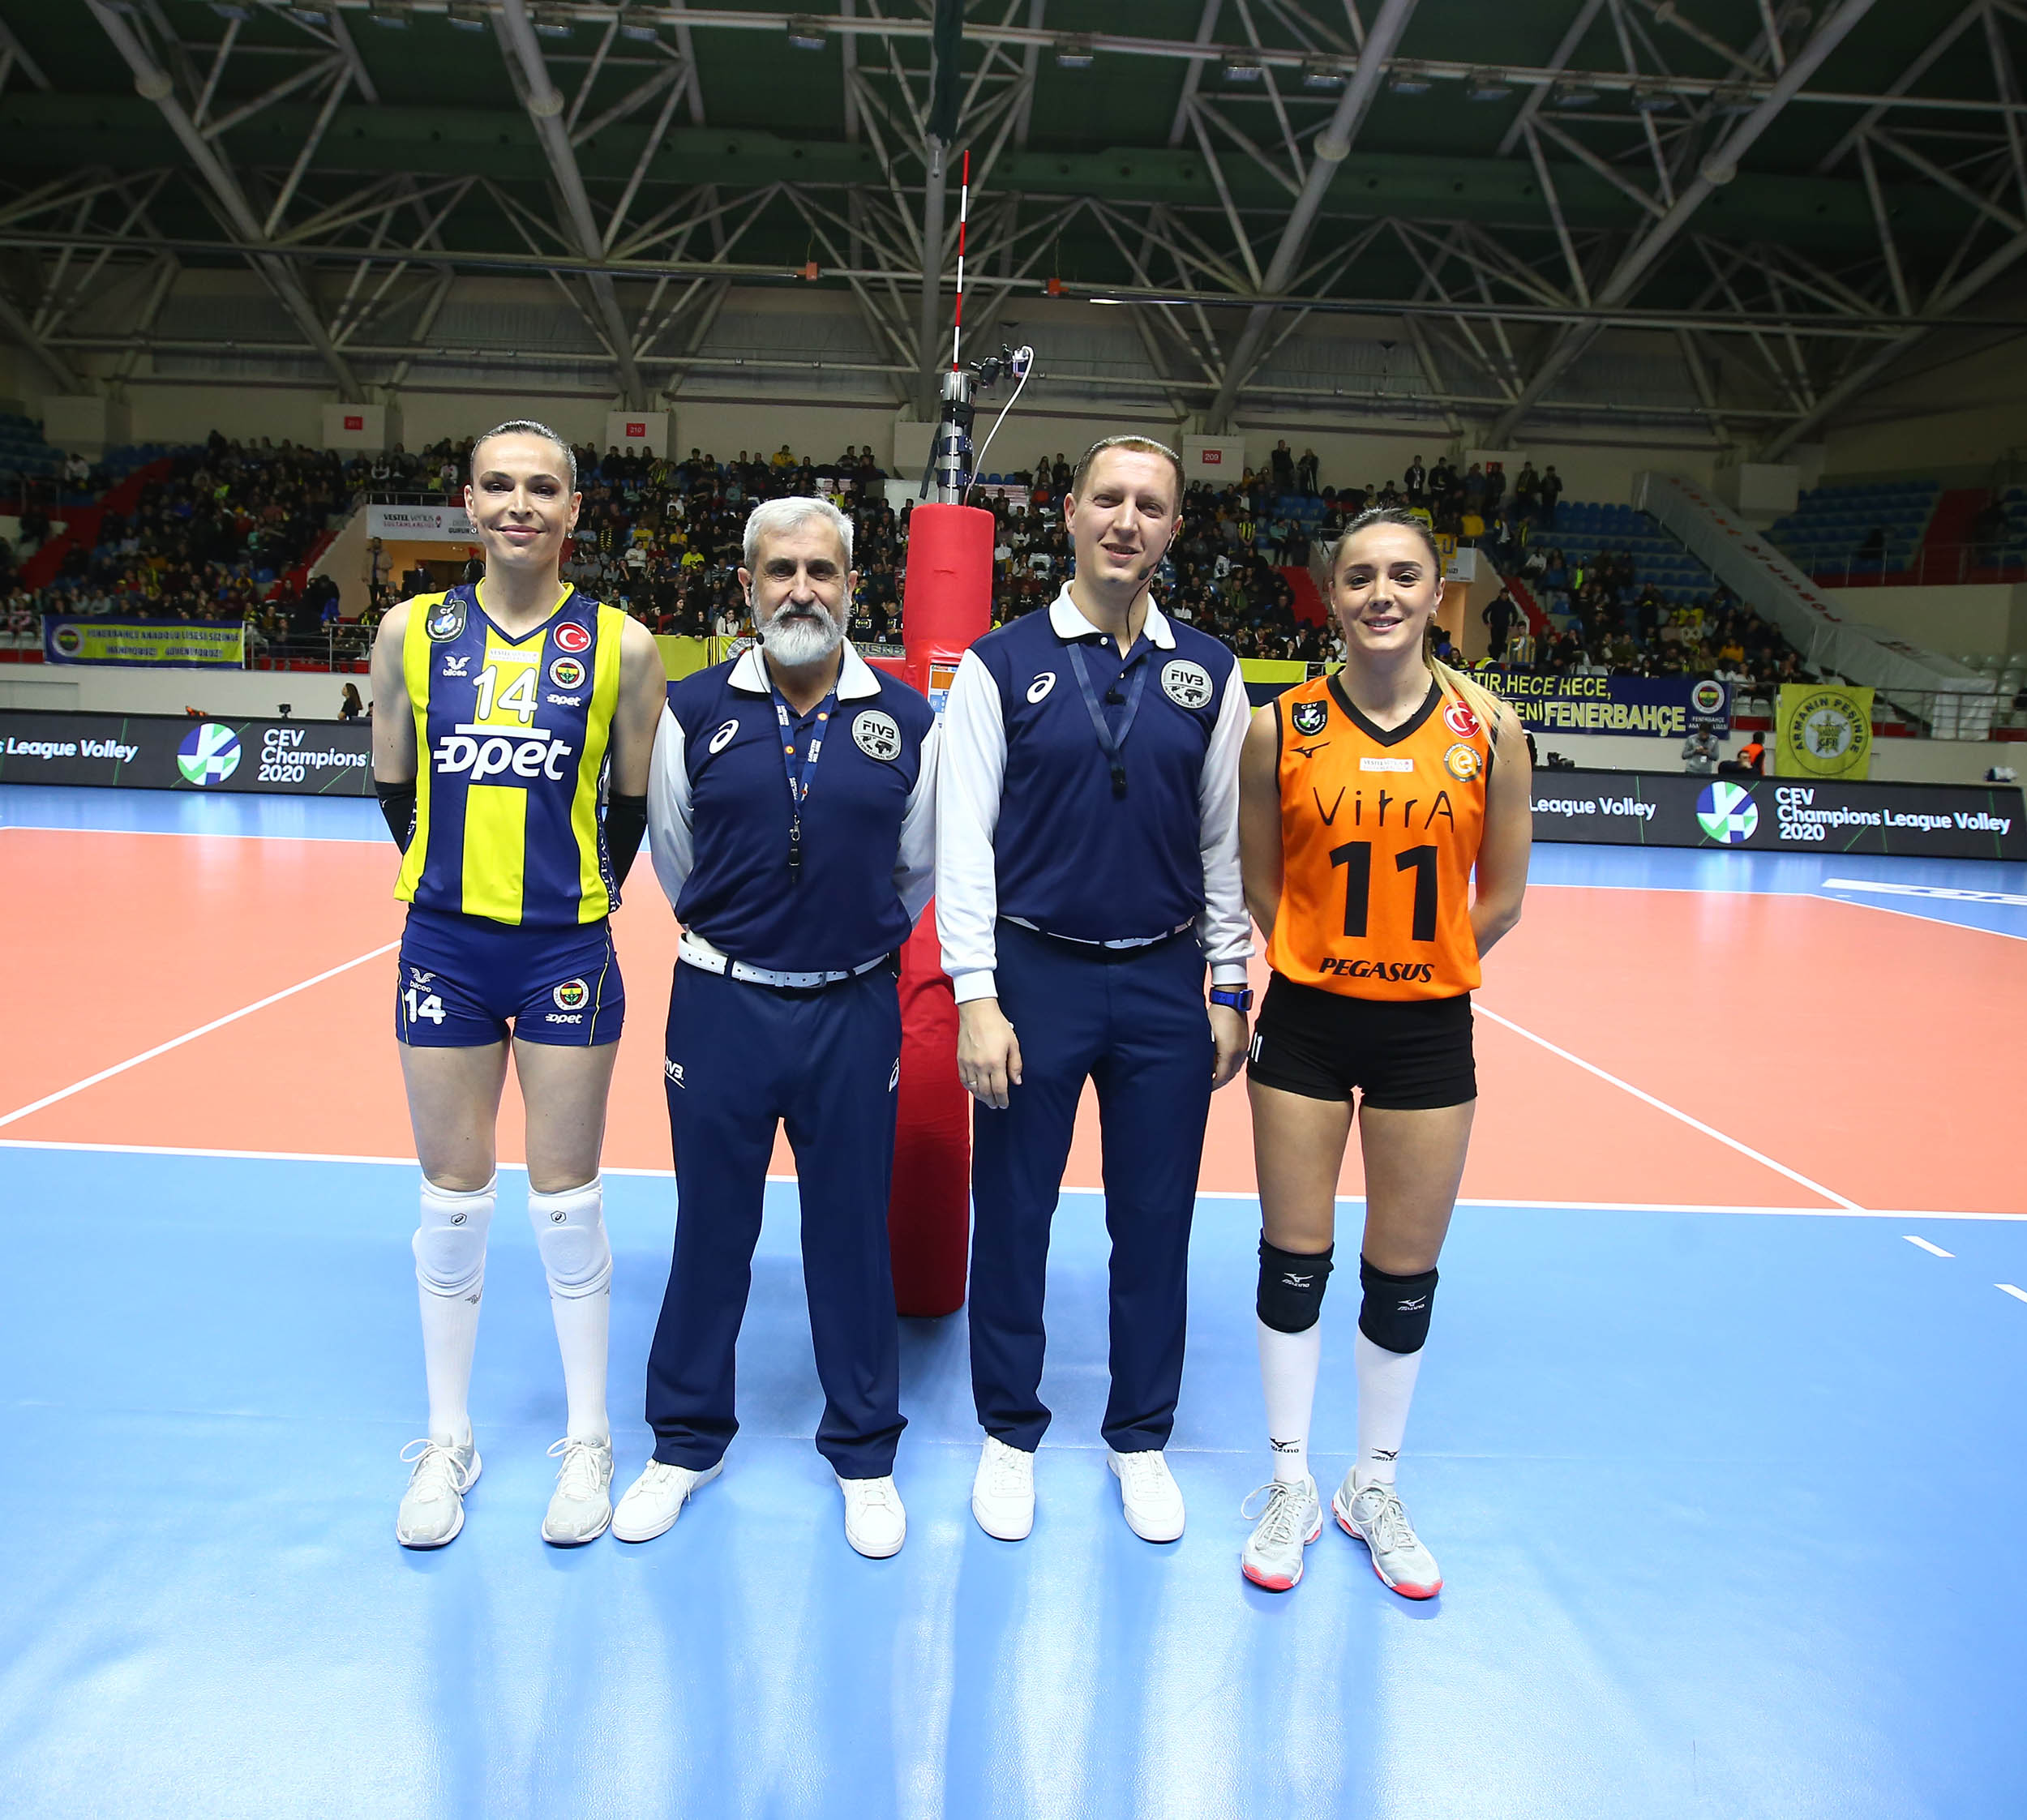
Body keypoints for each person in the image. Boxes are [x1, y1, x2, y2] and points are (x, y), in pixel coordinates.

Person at [938, 435, 1252, 1547]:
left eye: (1149, 505)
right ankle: (1010, 1431)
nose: (1127, 520)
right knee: (1014, 1213)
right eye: (1108, 499)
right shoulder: (998, 664)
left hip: (1166, 980)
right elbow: (962, 845)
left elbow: (1224, 843)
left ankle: (1140, 1436)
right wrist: (975, 993)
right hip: (1034, 974)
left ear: (1174, 529)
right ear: (1069, 513)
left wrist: (1230, 982)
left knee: (1155, 1219)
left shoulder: (1211, 672)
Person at [615, 497, 938, 1559]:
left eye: (822, 571)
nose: (803, 590)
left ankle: (865, 1452)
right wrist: (746, 937)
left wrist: (842, 941)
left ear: (853, 587)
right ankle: (685, 1442)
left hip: (852, 1006)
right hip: (723, 1004)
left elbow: (915, 870)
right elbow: (676, 859)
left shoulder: (908, 721)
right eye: (781, 571)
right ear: (748, 587)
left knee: (851, 1234)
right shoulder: (692, 708)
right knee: (711, 1228)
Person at [369, 420, 668, 1551]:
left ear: (573, 509)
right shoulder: (409, 631)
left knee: (564, 1195)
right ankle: (448, 1438)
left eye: (543, 487)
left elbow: (630, 806)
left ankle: (590, 1437)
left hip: (565, 950)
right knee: (451, 1195)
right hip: (444, 946)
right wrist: (452, 880)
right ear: (469, 500)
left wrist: (573, 890)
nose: (519, 505)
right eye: (498, 485)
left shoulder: (624, 646)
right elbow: (394, 785)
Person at [1232, 507, 1530, 1597]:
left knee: (1403, 1272)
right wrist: (1321, 957)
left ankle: (1375, 1483)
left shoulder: (1489, 727)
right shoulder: (1282, 725)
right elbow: (1260, 880)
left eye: (1405, 575)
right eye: (1360, 577)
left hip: (1427, 1030)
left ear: (1438, 591)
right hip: (1308, 1019)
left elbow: (1501, 897)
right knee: (1293, 1257)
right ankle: (1290, 1480)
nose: (1383, 594)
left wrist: (1419, 962)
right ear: (1332, 594)